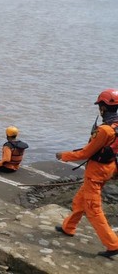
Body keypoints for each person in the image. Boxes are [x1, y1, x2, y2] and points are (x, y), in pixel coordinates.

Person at [55, 89, 118, 259]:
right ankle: (69, 227)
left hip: (96, 172)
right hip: (109, 168)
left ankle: (113, 244)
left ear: (103, 108)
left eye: (100, 106)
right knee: (80, 200)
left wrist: (64, 156)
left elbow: (85, 153)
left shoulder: (104, 130)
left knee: (93, 209)